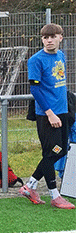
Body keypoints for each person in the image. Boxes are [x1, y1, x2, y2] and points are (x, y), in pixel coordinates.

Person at [19, 23, 74, 208]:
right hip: (47, 115)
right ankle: (48, 192)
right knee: (54, 151)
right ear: (42, 39)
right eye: (45, 37)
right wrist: (50, 114)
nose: (49, 40)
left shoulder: (61, 56)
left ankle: (34, 187)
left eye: (52, 36)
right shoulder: (36, 60)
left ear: (60, 37)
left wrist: (65, 111)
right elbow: (35, 89)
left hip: (62, 112)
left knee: (60, 150)